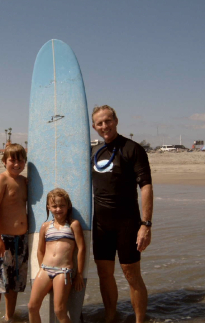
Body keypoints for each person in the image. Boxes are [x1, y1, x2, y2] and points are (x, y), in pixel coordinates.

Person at [91, 105, 153, 323]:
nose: (104, 126)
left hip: (127, 222)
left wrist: (145, 224)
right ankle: (110, 317)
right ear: (94, 126)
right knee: (104, 274)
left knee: (131, 274)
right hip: (100, 224)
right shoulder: (93, 152)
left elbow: (145, 186)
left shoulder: (132, 149)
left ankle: (139, 320)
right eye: (99, 123)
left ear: (116, 120)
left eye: (108, 121)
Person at [0, 144, 28, 323]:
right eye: (12, 160)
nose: (16, 164)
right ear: (4, 162)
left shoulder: (24, 182)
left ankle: (9, 318)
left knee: (14, 282)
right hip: (3, 239)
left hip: (21, 240)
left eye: (20, 160)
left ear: (25, 162)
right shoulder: (0, 180)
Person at [28, 188, 86, 323]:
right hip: (45, 269)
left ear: (68, 206)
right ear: (48, 207)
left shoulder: (73, 225)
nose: (58, 209)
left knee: (59, 310)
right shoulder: (45, 226)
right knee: (32, 306)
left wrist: (79, 274)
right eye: (54, 206)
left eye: (62, 205)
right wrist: (42, 268)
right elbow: (40, 250)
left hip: (63, 271)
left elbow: (81, 249)